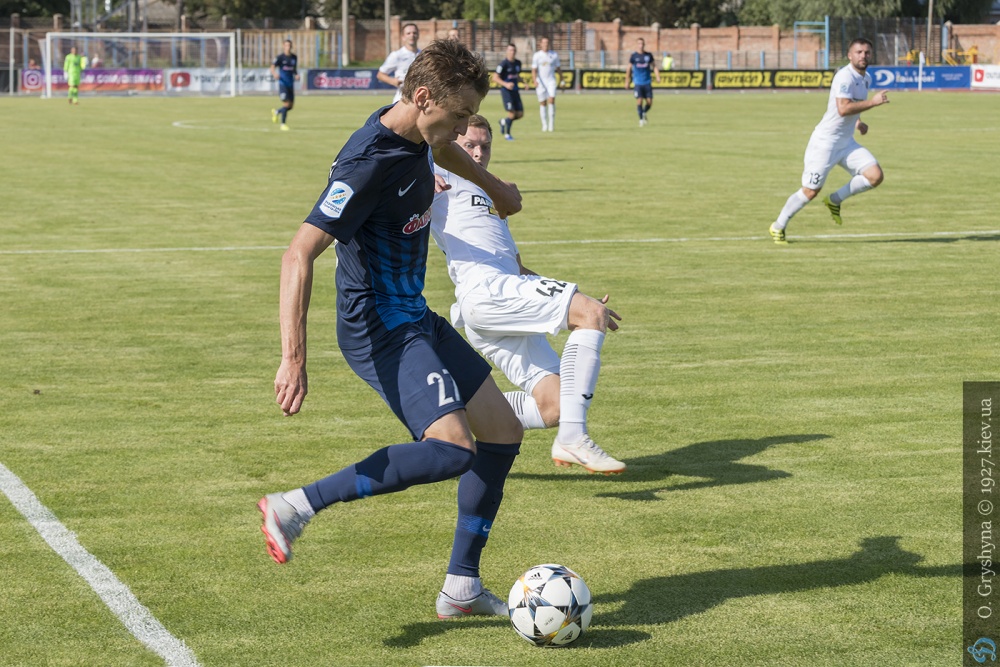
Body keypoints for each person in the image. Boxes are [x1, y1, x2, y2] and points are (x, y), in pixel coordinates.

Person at [258, 40, 526, 622]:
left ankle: (461, 587)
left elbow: (441, 149)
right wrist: (292, 358)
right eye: (459, 115)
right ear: (424, 97)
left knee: (503, 433)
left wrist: (492, 185)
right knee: (453, 450)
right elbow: (297, 254)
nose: (464, 129)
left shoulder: (421, 131)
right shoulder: (367, 163)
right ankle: (294, 506)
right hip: (377, 324)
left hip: (413, 314)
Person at [430, 115, 627, 475]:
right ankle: (573, 439)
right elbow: (401, 152)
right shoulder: (438, 178)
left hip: (501, 301)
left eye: (485, 146)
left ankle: (445, 418)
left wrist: (579, 301)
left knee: (556, 405)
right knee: (589, 316)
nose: (478, 153)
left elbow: (518, 269)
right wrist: (420, 175)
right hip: (486, 292)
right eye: (469, 145)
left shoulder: (487, 190)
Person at [769, 38, 889, 244]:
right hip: (825, 143)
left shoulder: (866, 78)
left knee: (875, 176)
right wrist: (873, 102)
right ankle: (778, 226)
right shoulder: (844, 76)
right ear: (849, 56)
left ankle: (834, 200)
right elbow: (843, 108)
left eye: (867, 52)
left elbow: (852, 105)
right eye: (859, 52)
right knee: (810, 191)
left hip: (846, 142)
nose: (863, 56)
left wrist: (858, 122)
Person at [378, 23, 420, 104]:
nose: (412, 35)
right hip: (402, 99)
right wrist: (392, 81)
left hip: (420, 99)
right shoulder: (397, 55)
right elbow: (380, 75)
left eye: (414, 33)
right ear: (403, 37)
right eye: (408, 33)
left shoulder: (423, 55)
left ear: (418, 35)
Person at [625, 37, 660, 127]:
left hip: (647, 82)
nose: (641, 45)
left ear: (644, 45)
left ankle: (644, 112)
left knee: (649, 102)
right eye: (639, 44)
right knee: (639, 100)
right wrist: (627, 81)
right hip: (638, 83)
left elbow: (654, 66)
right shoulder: (634, 56)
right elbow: (628, 68)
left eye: (642, 44)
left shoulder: (648, 56)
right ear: (637, 45)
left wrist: (657, 76)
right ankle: (641, 120)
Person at [492, 44, 523, 141]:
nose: (512, 52)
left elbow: (516, 76)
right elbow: (495, 78)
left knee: (520, 114)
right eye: (510, 50)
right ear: (507, 51)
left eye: (513, 50)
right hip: (507, 92)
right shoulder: (503, 64)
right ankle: (507, 134)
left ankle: (504, 121)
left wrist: (524, 83)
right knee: (512, 113)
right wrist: (505, 84)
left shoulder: (518, 63)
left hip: (515, 91)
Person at [531, 37, 561, 132]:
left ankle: (551, 124)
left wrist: (562, 79)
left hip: (551, 80)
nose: (545, 44)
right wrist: (534, 80)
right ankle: (544, 125)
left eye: (547, 42)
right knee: (543, 102)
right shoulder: (537, 55)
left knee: (551, 100)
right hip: (541, 82)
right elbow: (534, 70)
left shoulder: (554, 55)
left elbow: (558, 68)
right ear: (540, 44)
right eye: (544, 43)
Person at [271, 39, 299, 131]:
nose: (288, 47)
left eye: (289, 45)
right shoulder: (280, 57)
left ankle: (276, 112)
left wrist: (296, 74)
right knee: (286, 104)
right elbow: (272, 67)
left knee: (290, 106)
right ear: (283, 46)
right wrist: (274, 74)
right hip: (283, 83)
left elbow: (294, 69)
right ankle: (283, 124)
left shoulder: (294, 57)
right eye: (286, 45)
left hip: (291, 84)